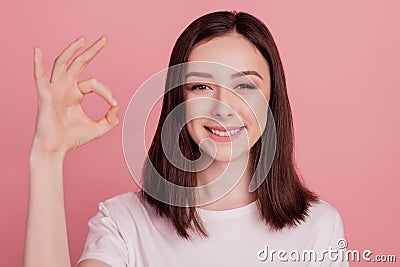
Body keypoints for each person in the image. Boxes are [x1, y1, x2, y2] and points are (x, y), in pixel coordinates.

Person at [24, 10, 348, 267]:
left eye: (245, 86)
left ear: (271, 100)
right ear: (178, 100)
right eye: (201, 86)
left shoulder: (319, 226)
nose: (223, 109)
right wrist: (48, 156)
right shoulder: (125, 223)